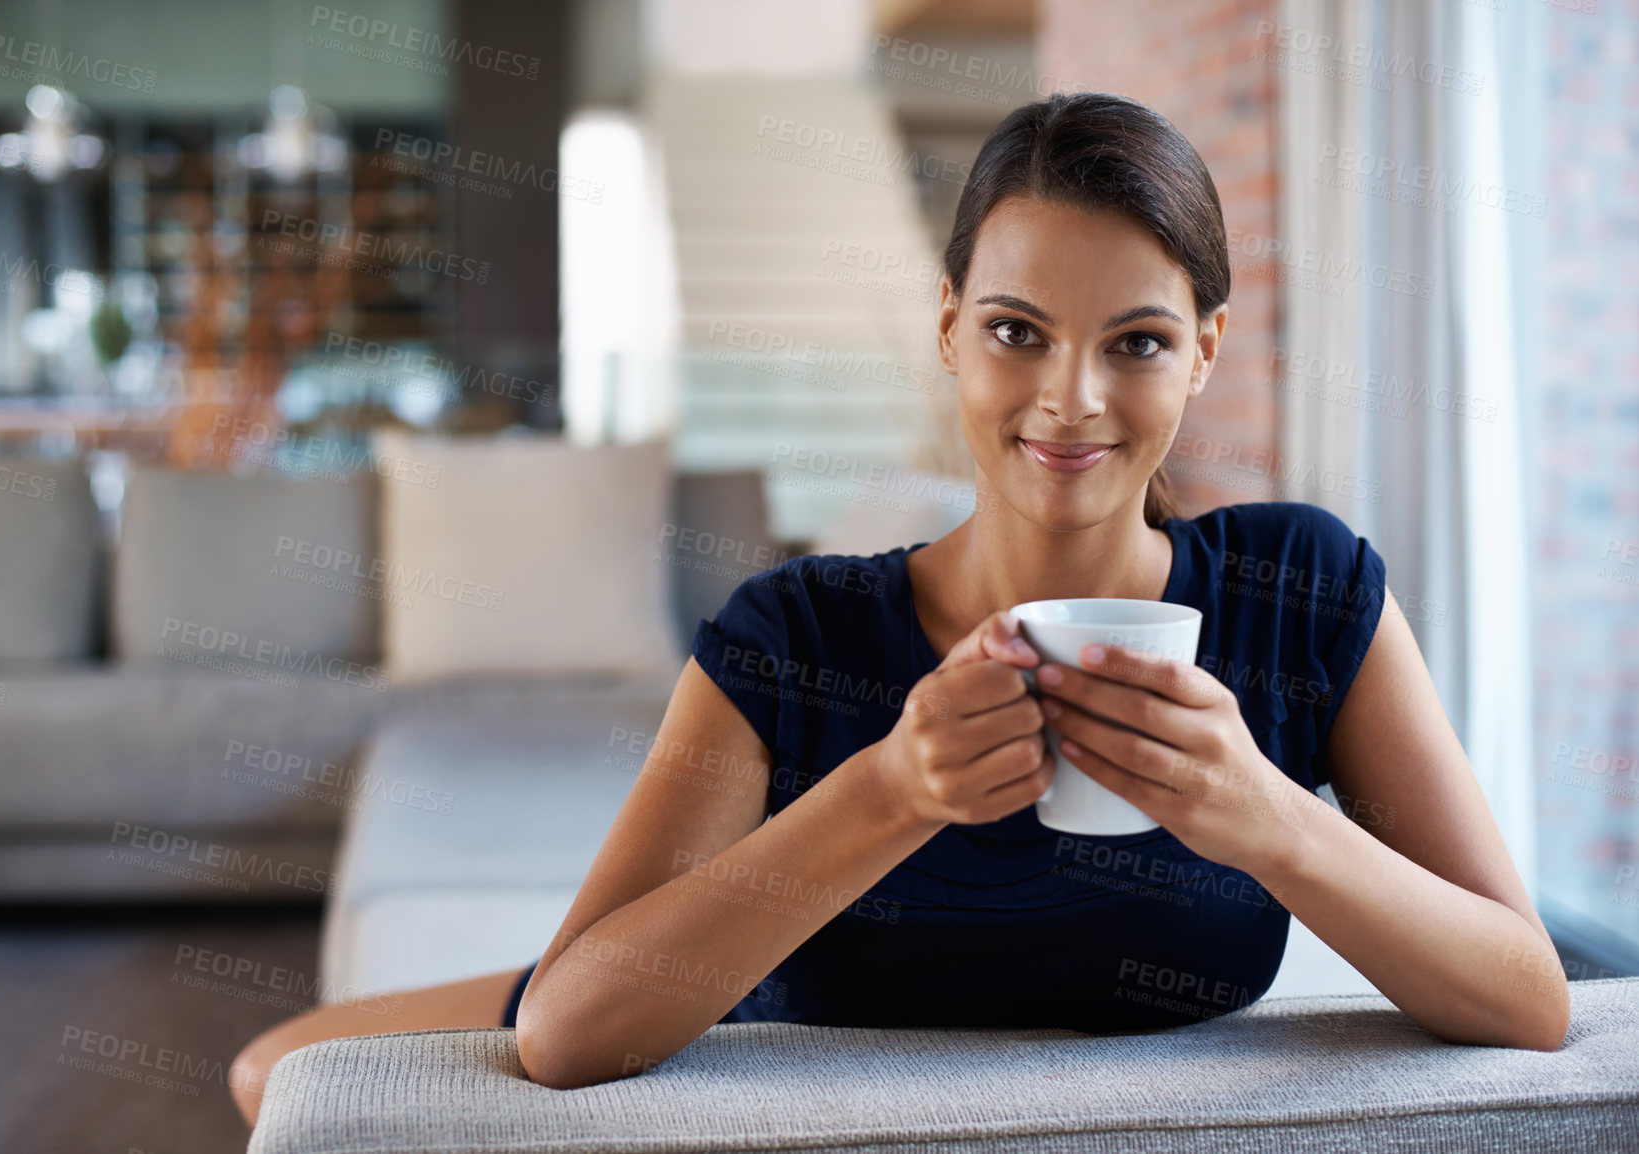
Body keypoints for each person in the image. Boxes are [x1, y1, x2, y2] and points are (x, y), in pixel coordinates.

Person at [231, 90, 1566, 1121]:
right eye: (1014, 330)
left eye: (1138, 342)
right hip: (717, 995)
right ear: (945, 328)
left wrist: (1262, 814)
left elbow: (1526, 998)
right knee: (271, 1074)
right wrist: (894, 790)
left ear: (1203, 349)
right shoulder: (795, 635)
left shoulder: (1306, 593)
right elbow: (570, 1028)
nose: (1070, 399)